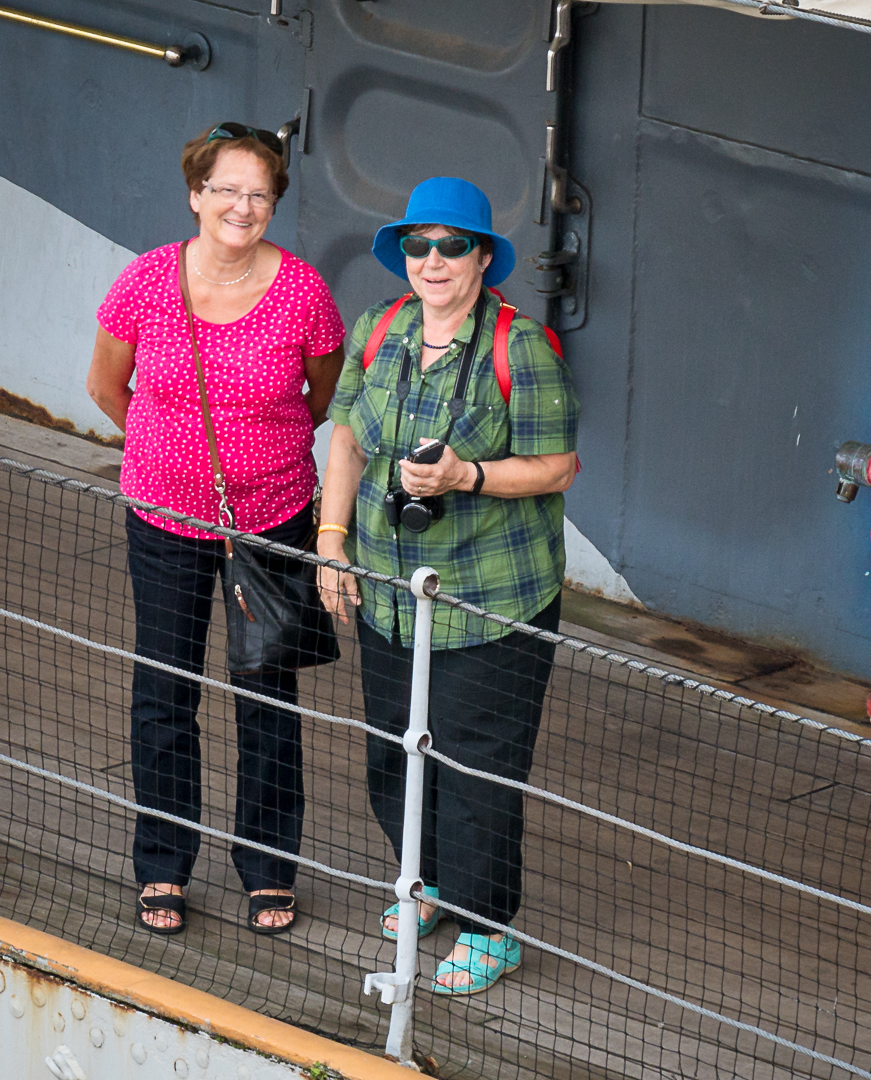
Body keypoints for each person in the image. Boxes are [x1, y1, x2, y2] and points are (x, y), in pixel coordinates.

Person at [316, 177, 579, 993]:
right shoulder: (379, 327)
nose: (433, 261)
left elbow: (558, 466)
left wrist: (467, 475)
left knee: (476, 765)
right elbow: (347, 439)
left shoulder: (519, 346)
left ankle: (487, 925)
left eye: (452, 245)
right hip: (390, 591)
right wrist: (331, 541)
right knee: (394, 749)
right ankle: (424, 882)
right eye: (418, 245)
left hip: (490, 599)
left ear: (482, 258)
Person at [86, 122, 345, 936]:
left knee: (267, 692)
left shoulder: (304, 292)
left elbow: (322, 397)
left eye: (259, 193)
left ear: (276, 203)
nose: (242, 205)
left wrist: (252, 460)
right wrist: (169, 458)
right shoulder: (145, 280)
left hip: (272, 521)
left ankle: (268, 867)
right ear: (195, 194)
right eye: (226, 189)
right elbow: (106, 388)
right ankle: (163, 864)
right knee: (164, 690)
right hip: (164, 518)